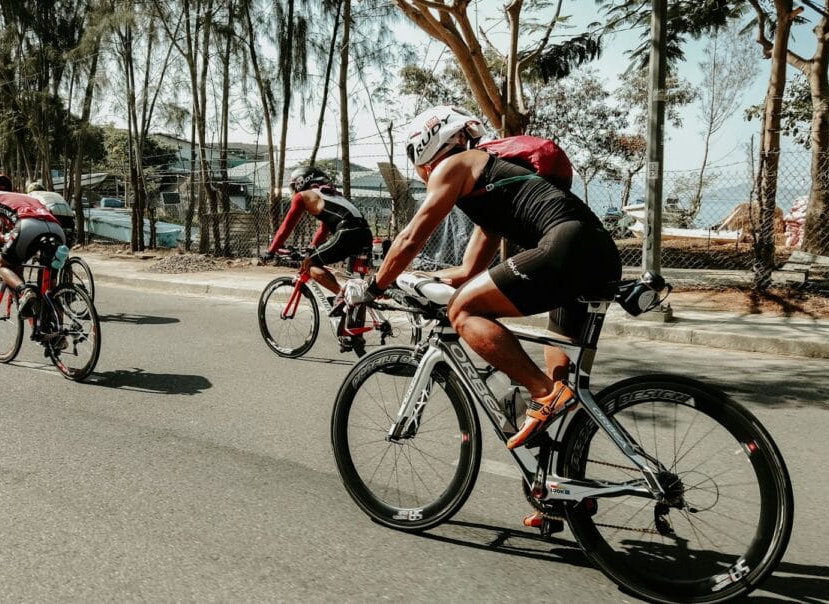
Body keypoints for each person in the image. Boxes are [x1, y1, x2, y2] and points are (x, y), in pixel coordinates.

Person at [342, 105, 622, 453]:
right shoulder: (490, 188)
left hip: (565, 246)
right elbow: (468, 272)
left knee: (463, 311)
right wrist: (414, 279)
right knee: (564, 397)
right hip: (596, 253)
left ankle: (543, 392)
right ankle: (560, 477)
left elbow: (410, 239)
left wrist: (373, 287)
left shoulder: (455, 165)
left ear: (424, 148)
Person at [262, 166, 373, 297]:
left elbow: (286, 227)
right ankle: (355, 304)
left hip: (347, 232)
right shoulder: (332, 195)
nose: (294, 191)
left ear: (301, 182)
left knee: (309, 264)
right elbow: (324, 229)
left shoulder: (303, 196)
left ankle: (342, 296)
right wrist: (312, 247)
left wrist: (271, 250)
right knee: (357, 287)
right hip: (366, 234)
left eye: (293, 186)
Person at [0, 173, 67, 318]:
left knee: (4, 265)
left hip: (28, 226)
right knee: (50, 289)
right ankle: (56, 327)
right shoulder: (24, 197)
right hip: (56, 229)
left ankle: (25, 291)